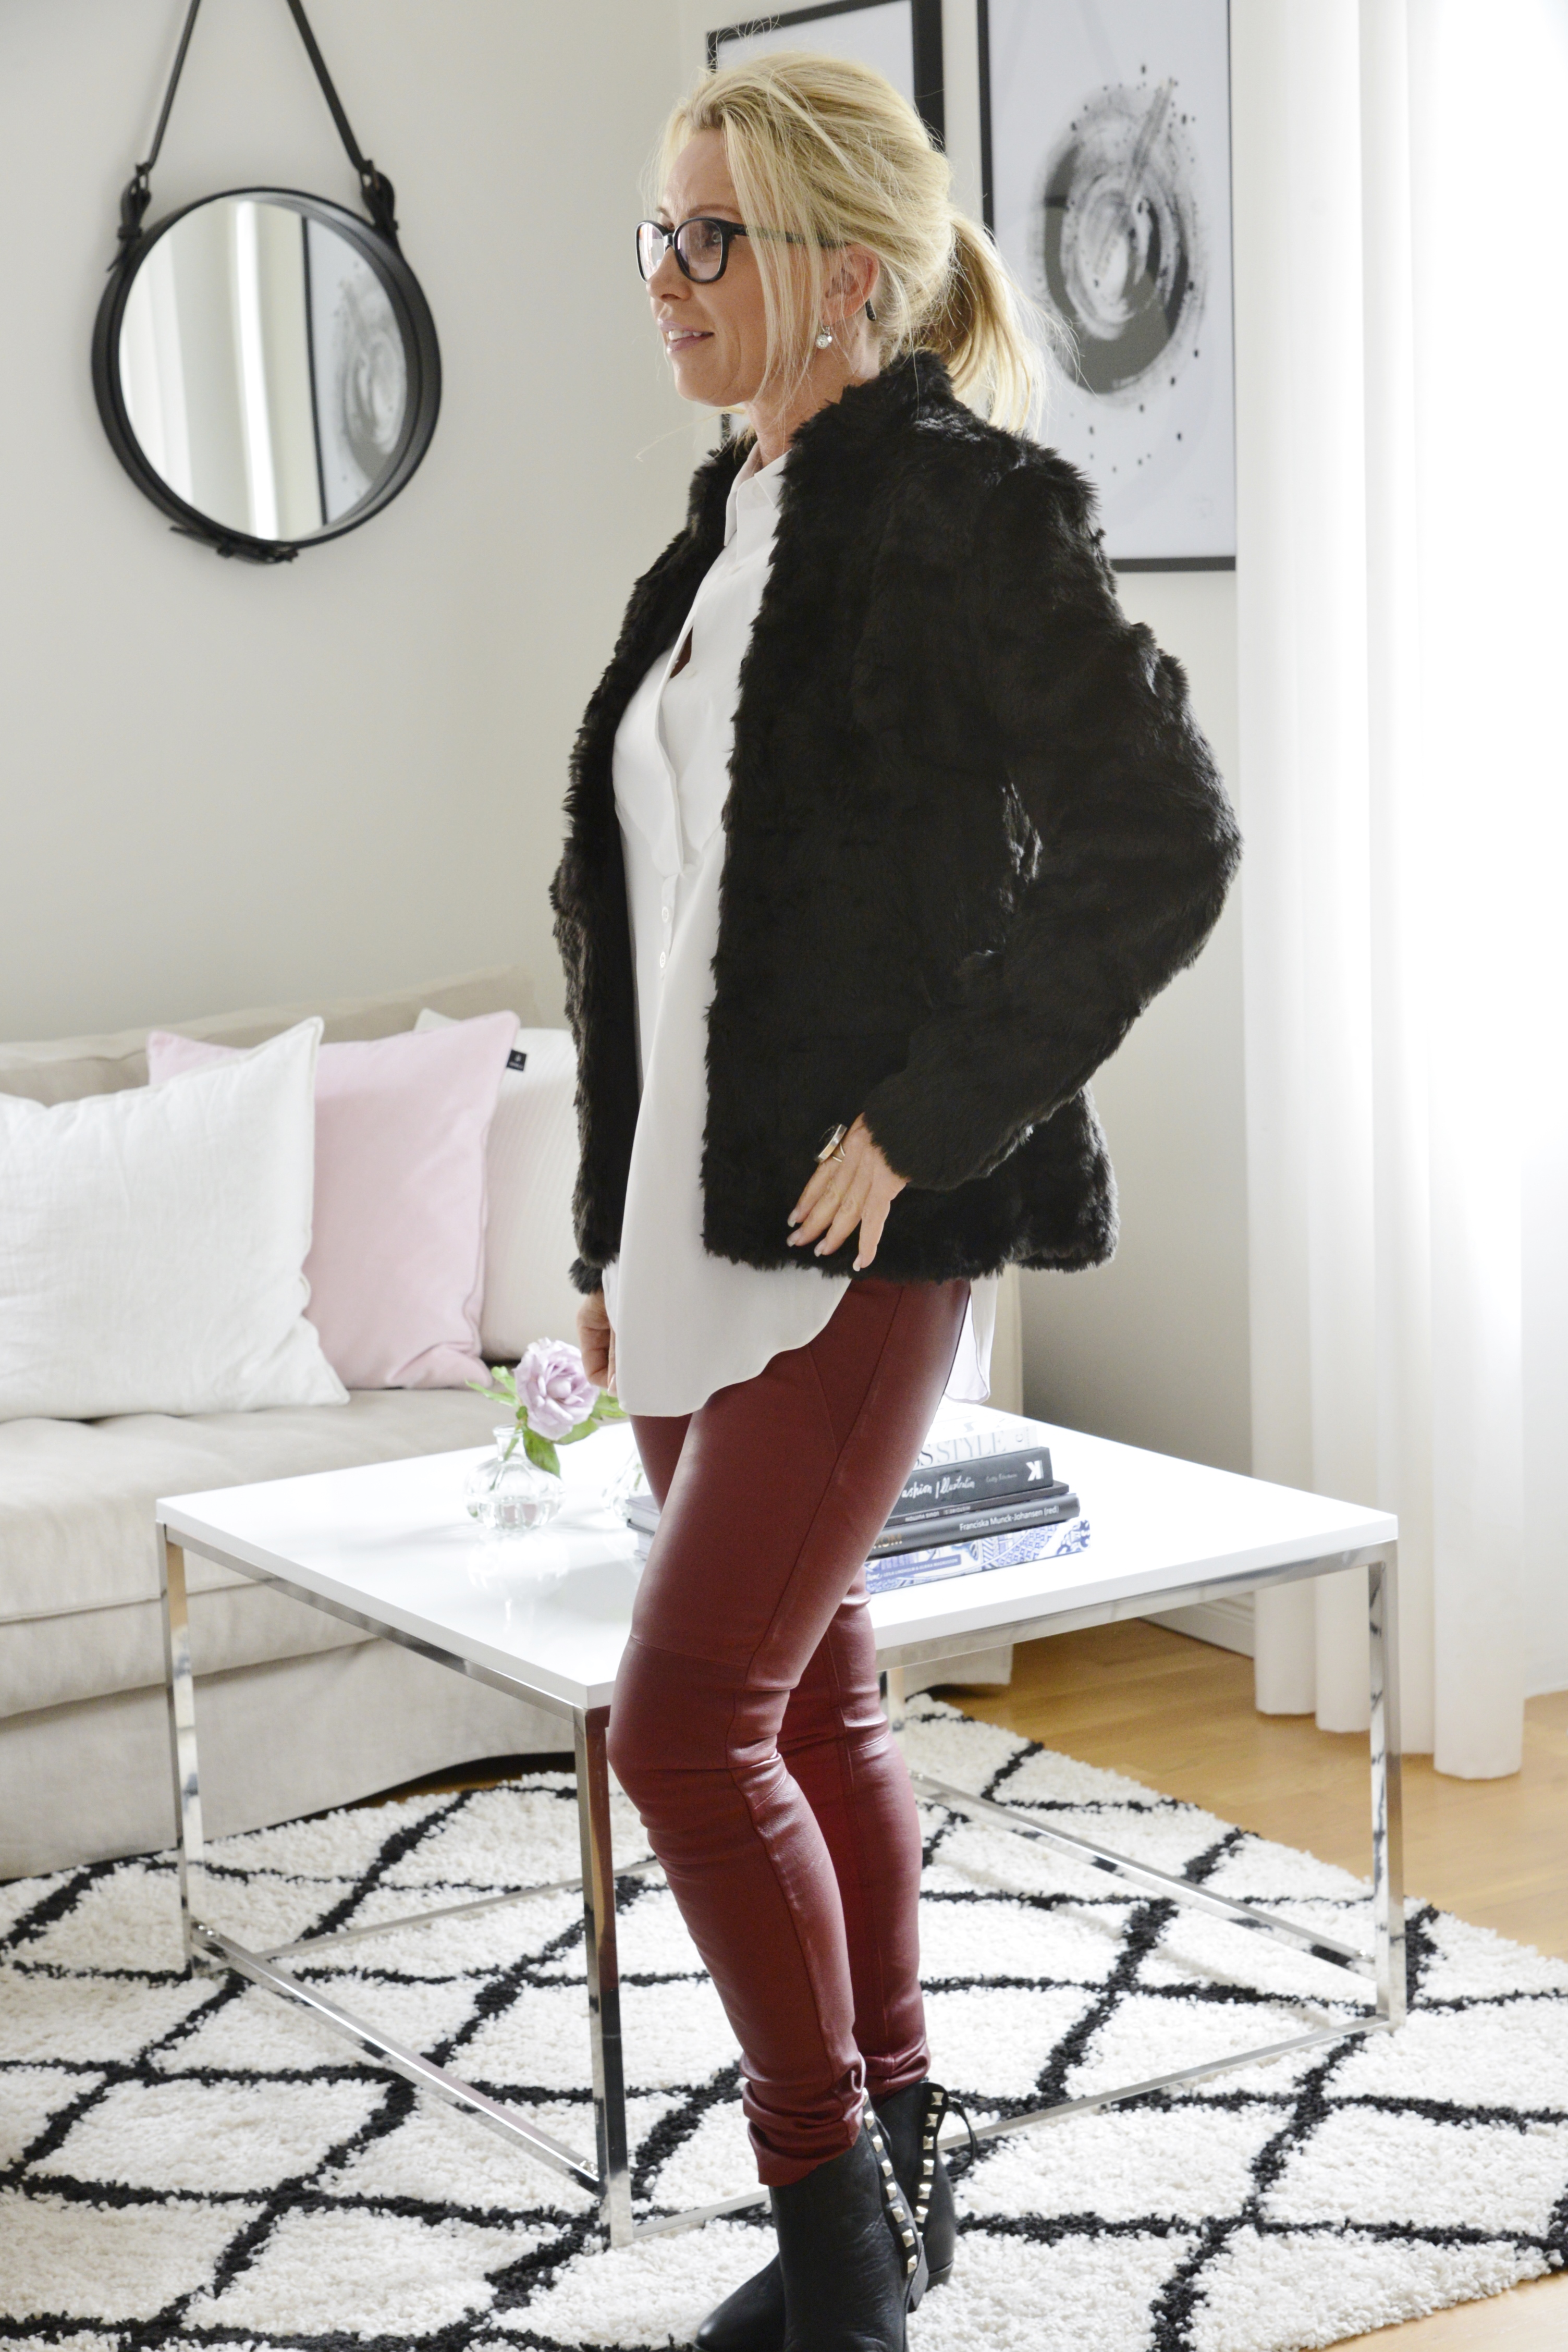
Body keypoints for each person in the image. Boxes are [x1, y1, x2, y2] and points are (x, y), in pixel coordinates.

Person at [552, 51, 1239, 2352]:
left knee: (683, 1726)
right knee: (816, 1703)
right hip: (691, 1225)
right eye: (655, 236)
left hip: (856, 1232)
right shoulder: (722, 522)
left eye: (708, 239)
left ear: (846, 275)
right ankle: (906, 2151)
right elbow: (648, 929)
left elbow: (1161, 838)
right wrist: (603, 1234)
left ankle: (834, 2245)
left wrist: (933, 1120)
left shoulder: (963, 512)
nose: (664, 280)